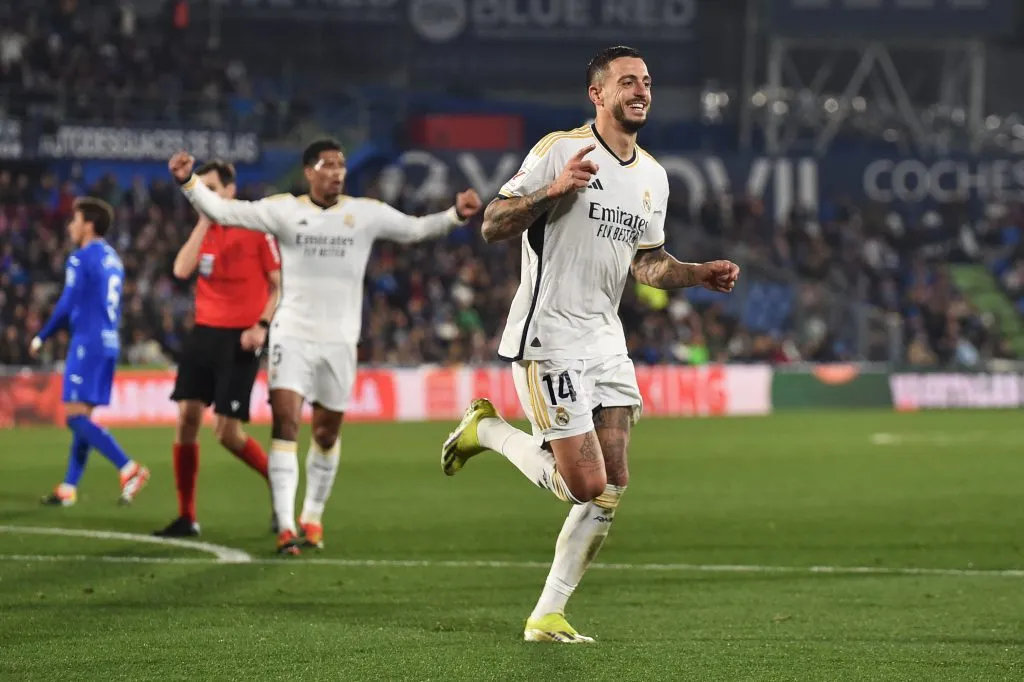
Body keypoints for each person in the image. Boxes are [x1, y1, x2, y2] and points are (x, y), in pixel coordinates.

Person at [441, 46, 741, 643]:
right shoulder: (561, 149)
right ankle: (487, 431)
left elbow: (647, 266)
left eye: (647, 82)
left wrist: (698, 273)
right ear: (597, 95)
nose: (641, 90)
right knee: (583, 485)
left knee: (614, 482)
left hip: (605, 336)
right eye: (627, 82)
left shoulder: (653, 176)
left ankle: (546, 614)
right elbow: (494, 223)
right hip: (548, 333)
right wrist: (553, 190)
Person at [168, 138, 483, 555]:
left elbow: (414, 228)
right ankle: (284, 527)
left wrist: (453, 216)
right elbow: (223, 210)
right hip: (292, 335)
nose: (337, 171)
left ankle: (311, 516)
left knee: (326, 433)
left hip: (339, 341)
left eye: (341, 165)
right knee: (285, 425)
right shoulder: (284, 209)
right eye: (327, 164)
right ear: (309, 172)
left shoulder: (363, 214)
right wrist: (189, 182)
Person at [154, 160, 282, 538]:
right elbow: (180, 270)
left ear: (230, 190)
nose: (204, 194)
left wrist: (262, 325)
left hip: (241, 337)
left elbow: (279, 284)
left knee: (227, 434)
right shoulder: (206, 229)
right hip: (203, 334)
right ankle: (186, 516)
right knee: (186, 419)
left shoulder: (256, 227)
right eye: (200, 188)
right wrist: (205, 220)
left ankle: (280, 485)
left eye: (211, 188)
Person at [31, 197, 151, 506]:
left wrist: (41, 336)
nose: (71, 226)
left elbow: (67, 303)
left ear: (89, 225)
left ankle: (129, 468)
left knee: (74, 418)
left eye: (75, 220)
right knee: (82, 417)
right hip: (109, 342)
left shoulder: (80, 258)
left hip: (88, 342)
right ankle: (68, 487)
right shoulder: (114, 259)